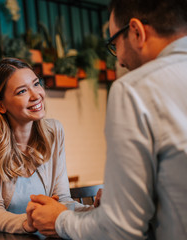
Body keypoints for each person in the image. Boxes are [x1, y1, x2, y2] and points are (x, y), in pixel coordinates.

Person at [28, 0, 187, 239]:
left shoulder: (134, 89)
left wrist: (59, 221)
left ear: (136, 32)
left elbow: (120, 229)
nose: (120, 61)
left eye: (114, 44)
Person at [0, 58, 96, 234]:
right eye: (22, 91)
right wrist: (28, 223)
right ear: (0, 105)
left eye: (36, 84)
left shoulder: (54, 131)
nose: (36, 95)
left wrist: (95, 212)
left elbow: (63, 200)